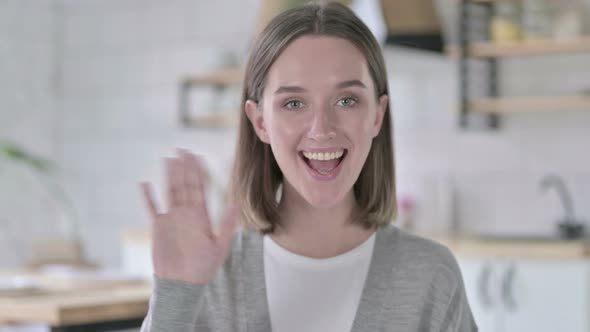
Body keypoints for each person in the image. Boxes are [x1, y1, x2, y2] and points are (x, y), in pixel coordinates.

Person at [139, 2, 477, 331]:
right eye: (294, 103)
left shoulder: (429, 276)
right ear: (260, 122)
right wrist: (176, 294)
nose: (322, 129)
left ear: (377, 114)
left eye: (347, 100)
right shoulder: (214, 276)